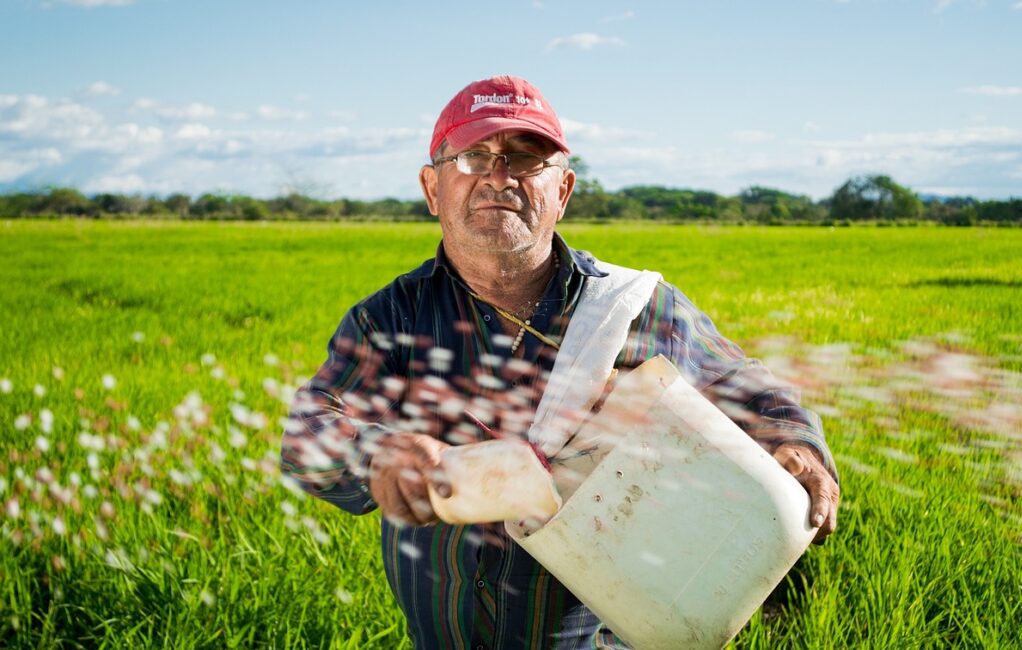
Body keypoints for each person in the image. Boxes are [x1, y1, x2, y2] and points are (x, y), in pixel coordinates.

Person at [281, 75, 840, 649]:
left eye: (527, 159)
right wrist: (377, 454)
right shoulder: (392, 318)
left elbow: (744, 387)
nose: (500, 175)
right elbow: (307, 432)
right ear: (432, 188)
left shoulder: (631, 308)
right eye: (474, 156)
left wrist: (796, 444)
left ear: (563, 190)